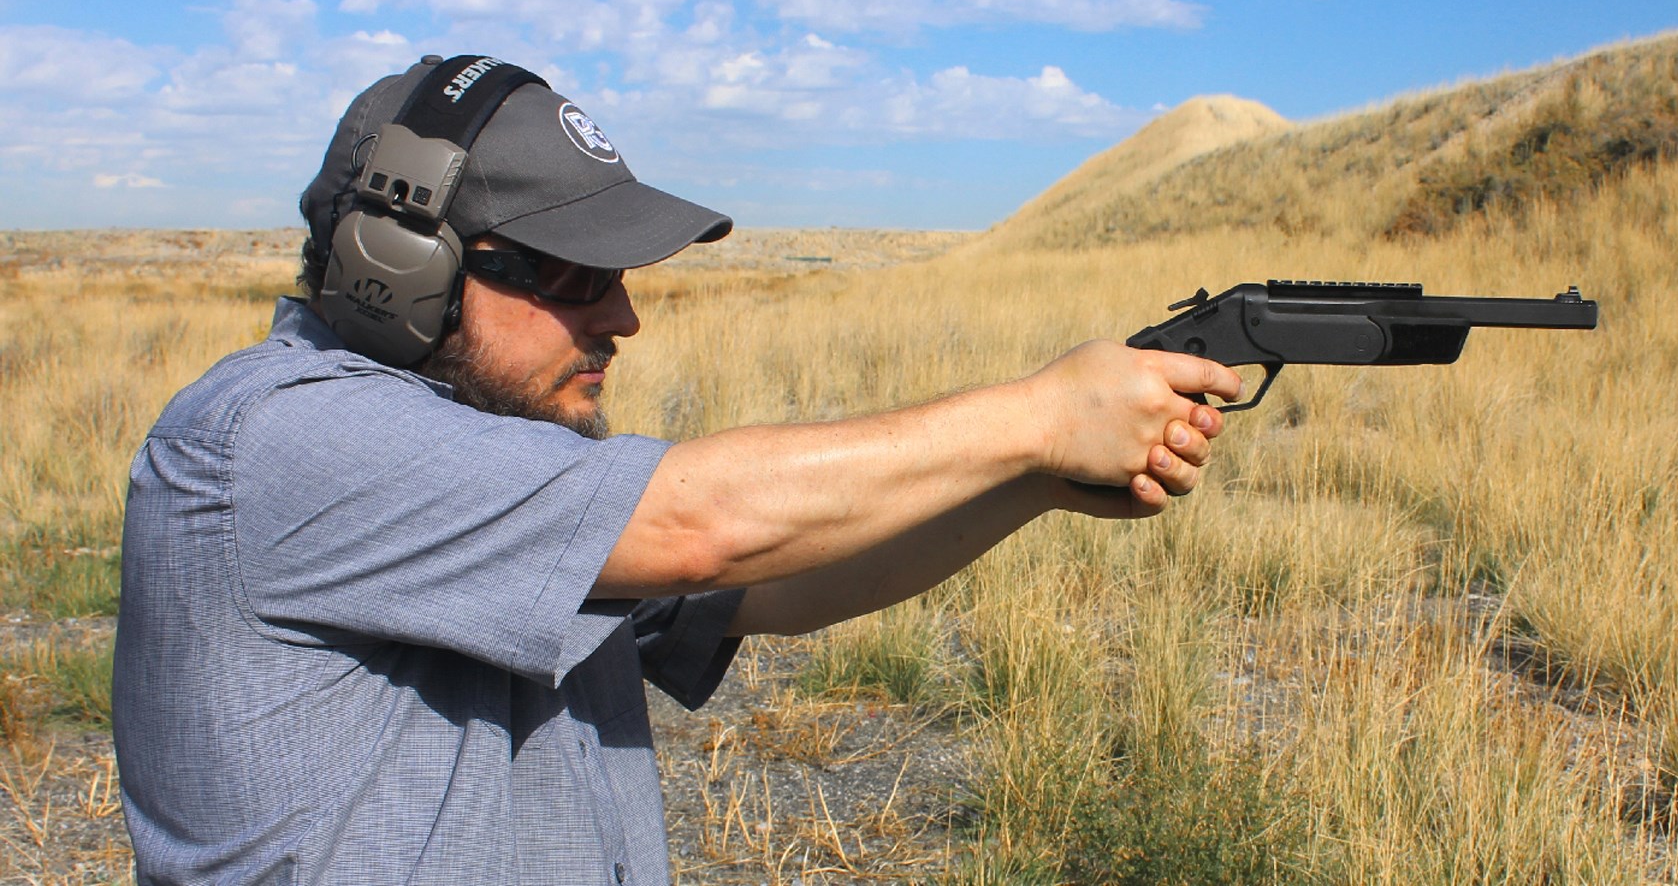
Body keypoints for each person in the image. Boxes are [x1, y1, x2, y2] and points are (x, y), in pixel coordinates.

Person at [113, 55, 1240, 885]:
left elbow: (768, 588)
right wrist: (1040, 417)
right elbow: (707, 527)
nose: (624, 317)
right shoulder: (272, 441)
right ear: (394, 267)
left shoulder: (495, 460)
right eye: (569, 277)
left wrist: (1036, 485)